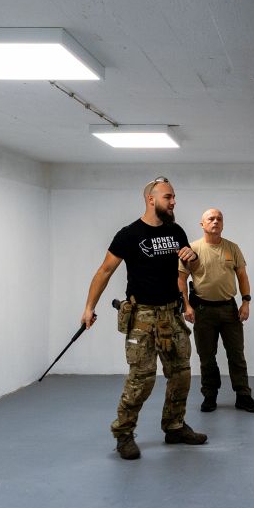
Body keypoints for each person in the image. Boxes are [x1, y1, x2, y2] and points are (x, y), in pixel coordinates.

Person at [80, 177, 208, 460]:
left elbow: (194, 269)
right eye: (168, 197)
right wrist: (89, 307)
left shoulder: (176, 231)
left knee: (181, 373)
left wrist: (192, 258)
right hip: (143, 316)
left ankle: (174, 426)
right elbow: (104, 271)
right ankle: (124, 433)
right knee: (141, 379)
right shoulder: (129, 234)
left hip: (171, 313)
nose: (173, 202)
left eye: (173, 197)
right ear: (151, 199)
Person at [181, 208, 254, 414]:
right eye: (211, 218)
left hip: (229, 309)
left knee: (236, 354)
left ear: (223, 224)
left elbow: (242, 276)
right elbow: (180, 279)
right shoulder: (192, 249)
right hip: (202, 310)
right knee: (207, 356)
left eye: (219, 219)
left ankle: (243, 395)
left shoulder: (232, 248)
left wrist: (246, 302)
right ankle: (210, 395)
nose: (215, 221)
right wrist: (186, 306)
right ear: (202, 224)